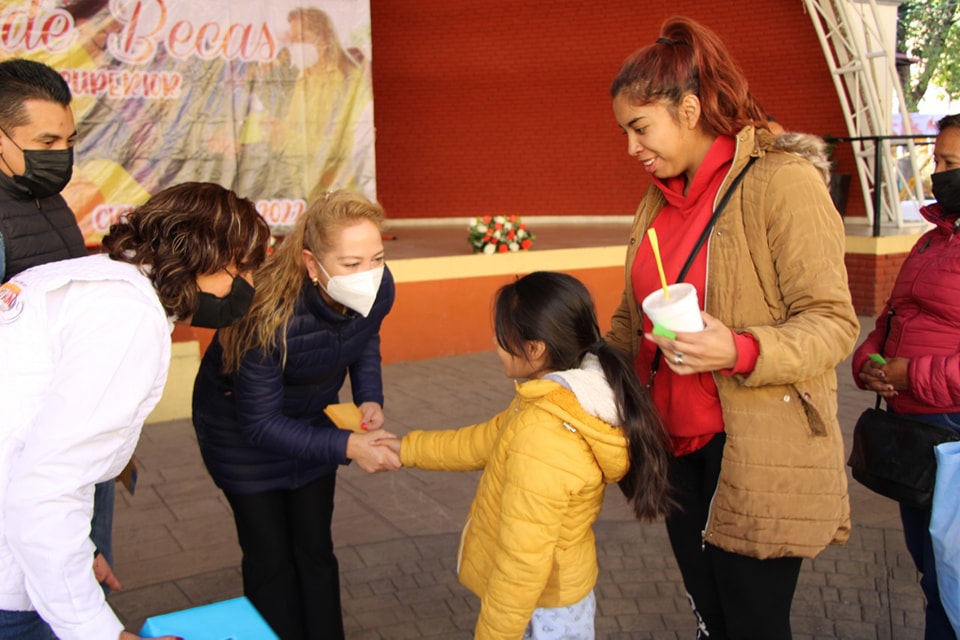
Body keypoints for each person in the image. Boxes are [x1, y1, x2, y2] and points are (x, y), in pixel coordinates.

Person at [605, 17, 859, 639]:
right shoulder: (657, 197)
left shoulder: (782, 182)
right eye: (624, 131)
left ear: (689, 109)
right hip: (674, 450)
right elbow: (628, 316)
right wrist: (582, 371)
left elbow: (833, 324)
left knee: (752, 625)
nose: (631, 147)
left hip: (754, 452)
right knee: (712, 621)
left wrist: (740, 349)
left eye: (640, 128)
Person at [0, 181, 272, 640]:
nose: (245, 287)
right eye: (240, 270)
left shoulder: (86, 280)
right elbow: (47, 488)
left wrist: (80, 551)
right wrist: (100, 632)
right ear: (201, 255)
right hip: (13, 583)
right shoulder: (127, 316)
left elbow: (33, 437)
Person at [379, 271, 674, 640]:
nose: (495, 343)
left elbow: (522, 566)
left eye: (503, 337)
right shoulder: (560, 398)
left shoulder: (544, 435)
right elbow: (483, 440)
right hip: (560, 598)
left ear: (535, 349)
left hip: (541, 611)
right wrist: (406, 449)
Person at [191, 190, 400, 640]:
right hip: (242, 439)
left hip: (312, 425)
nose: (368, 274)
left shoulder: (379, 286)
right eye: (350, 264)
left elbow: (365, 334)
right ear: (311, 264)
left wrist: (369, 395)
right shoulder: (264, 313)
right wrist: (348, 445)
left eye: (377, 257)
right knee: (271, 559)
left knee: (315, 549)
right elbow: (260, 424)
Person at [0, 56, 126, 596]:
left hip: (74, 434)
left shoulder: (45, 198)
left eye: (69, 141)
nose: (62, 157)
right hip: (27, 456)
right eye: (46, 143)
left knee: (80, 591)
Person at [852, 114, 960, 640]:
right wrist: (868, 365)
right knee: (930, 568)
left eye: (950, 164)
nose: (937, 173)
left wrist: (912, 374)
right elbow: (893, 316)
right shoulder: (931, 240)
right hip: (917, 437)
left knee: (953, 575)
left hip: (951, 433)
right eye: (936, 160)